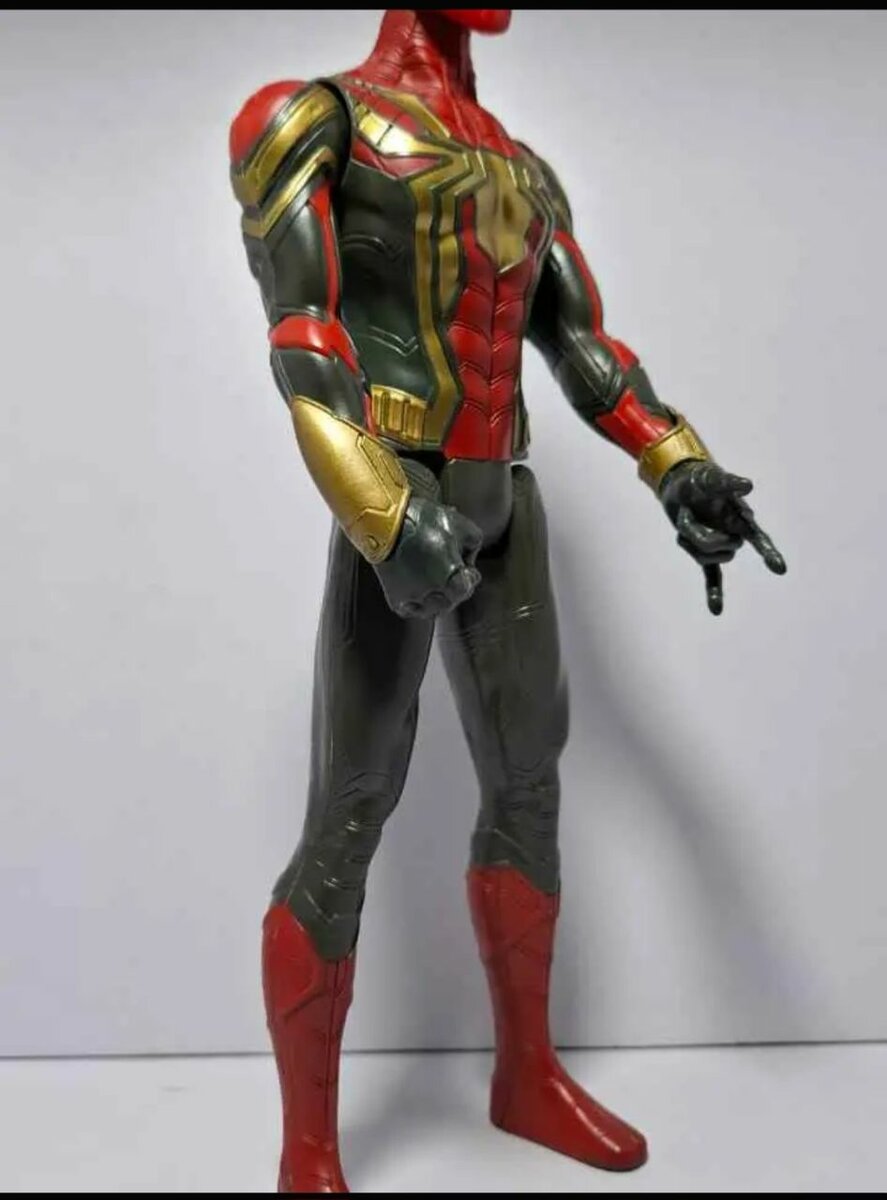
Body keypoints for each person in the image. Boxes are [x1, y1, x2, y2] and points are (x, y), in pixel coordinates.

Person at [229, 9, 786, 1193]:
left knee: (529, 785)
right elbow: (304, 341)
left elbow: (581, 345)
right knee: (348, 815)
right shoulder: (313, 118)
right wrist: (381, 511)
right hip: (398, 495)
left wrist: (675, 461)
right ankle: (307, 1152)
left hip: (501, 495)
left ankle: (525, 1077)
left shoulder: (522, 169)